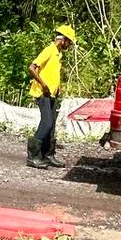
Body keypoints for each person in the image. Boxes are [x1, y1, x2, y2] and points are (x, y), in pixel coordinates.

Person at [26, 25, 76, 169]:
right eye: (69, 42)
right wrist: (44, 85)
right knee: (47, 123)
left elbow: (52, 73)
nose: (69, 45)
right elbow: (32, 68)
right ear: (63, 40)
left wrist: (57, 88)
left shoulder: (58, 54)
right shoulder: (49, 50)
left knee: (52, 125)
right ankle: (32, 156)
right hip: (43, 93)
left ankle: (48, 155)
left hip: (53, 94)